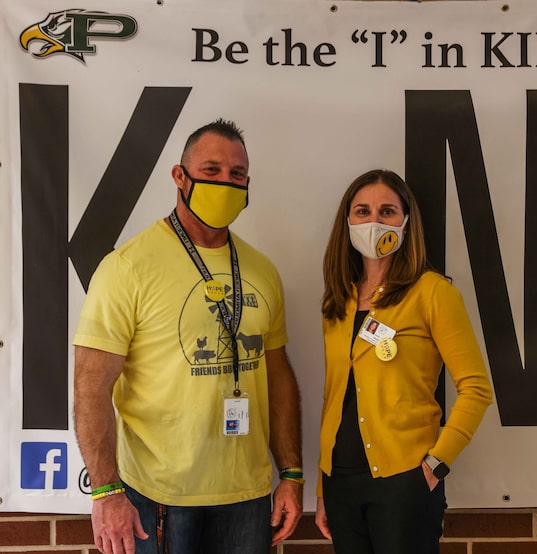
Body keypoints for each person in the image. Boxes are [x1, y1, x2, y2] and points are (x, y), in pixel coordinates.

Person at [73, 119, 303, 554]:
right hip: (158, 496)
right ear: (180, 176)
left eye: (236, 175)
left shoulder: (262, 271)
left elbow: (278, 378)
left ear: (248, 184)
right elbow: (90, 386)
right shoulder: (127, 267)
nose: (225, 183)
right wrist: (105, 493)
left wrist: (291, 474)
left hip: (247, 496)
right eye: (211, 170)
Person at [315, 169, 493, 553]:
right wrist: (321, 488)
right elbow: (333, 397)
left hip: (405, 481)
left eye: (387, 211)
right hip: (340, 482)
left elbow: (477, 388)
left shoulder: (433, 293)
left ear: (407, 222)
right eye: (362, 211)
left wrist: (436, 464)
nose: (374, 221)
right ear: (347, 222)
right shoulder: (337, 301)